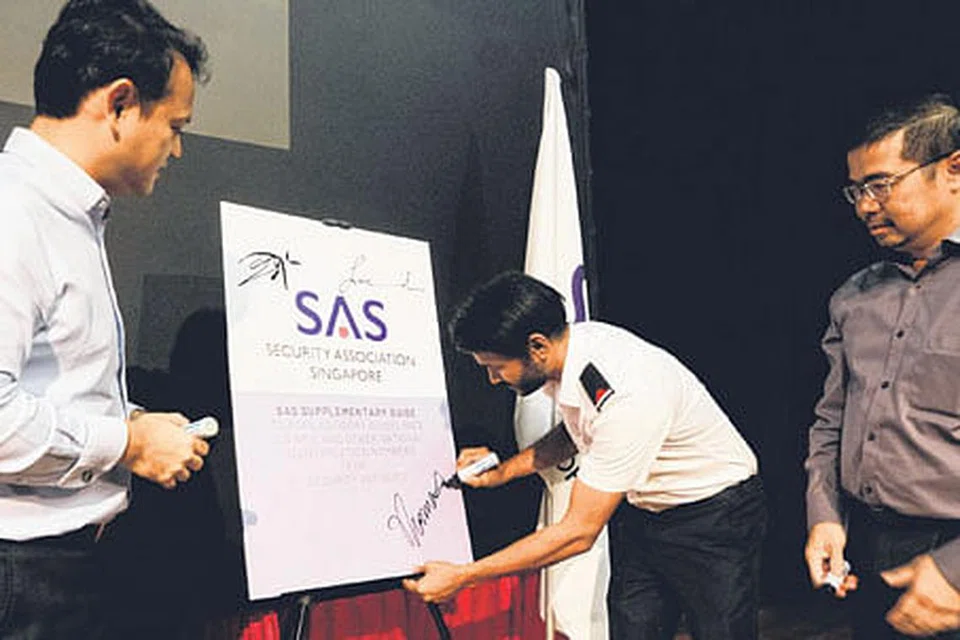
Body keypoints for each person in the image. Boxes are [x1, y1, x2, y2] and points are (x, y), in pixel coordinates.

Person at [0, 1, 211, 636]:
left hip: (59, 570)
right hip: (23, 578)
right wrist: (128, 444)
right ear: (119, 103)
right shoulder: (14, 212)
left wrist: (130, 421)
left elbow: (44, 382)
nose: (177, 150)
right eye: (174, 126)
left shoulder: (64, 214)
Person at [404, 271, 766, 640]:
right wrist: (504, 471)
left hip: (713, 515)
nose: (493, 380)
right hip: (645, 512)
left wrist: (464, 576)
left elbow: (578, 533)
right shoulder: (573, 353)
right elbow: (577, 431)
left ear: (537, 346)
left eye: (496, 367)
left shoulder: (629, 394)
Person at [805, 94, 960, 638]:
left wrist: (954, 571)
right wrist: (825, 515)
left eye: (881, 185)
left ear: (953, 169)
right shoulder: (855, 296)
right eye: (856, 191)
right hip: (873, 550)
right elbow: (831, 421)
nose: (865, 206)